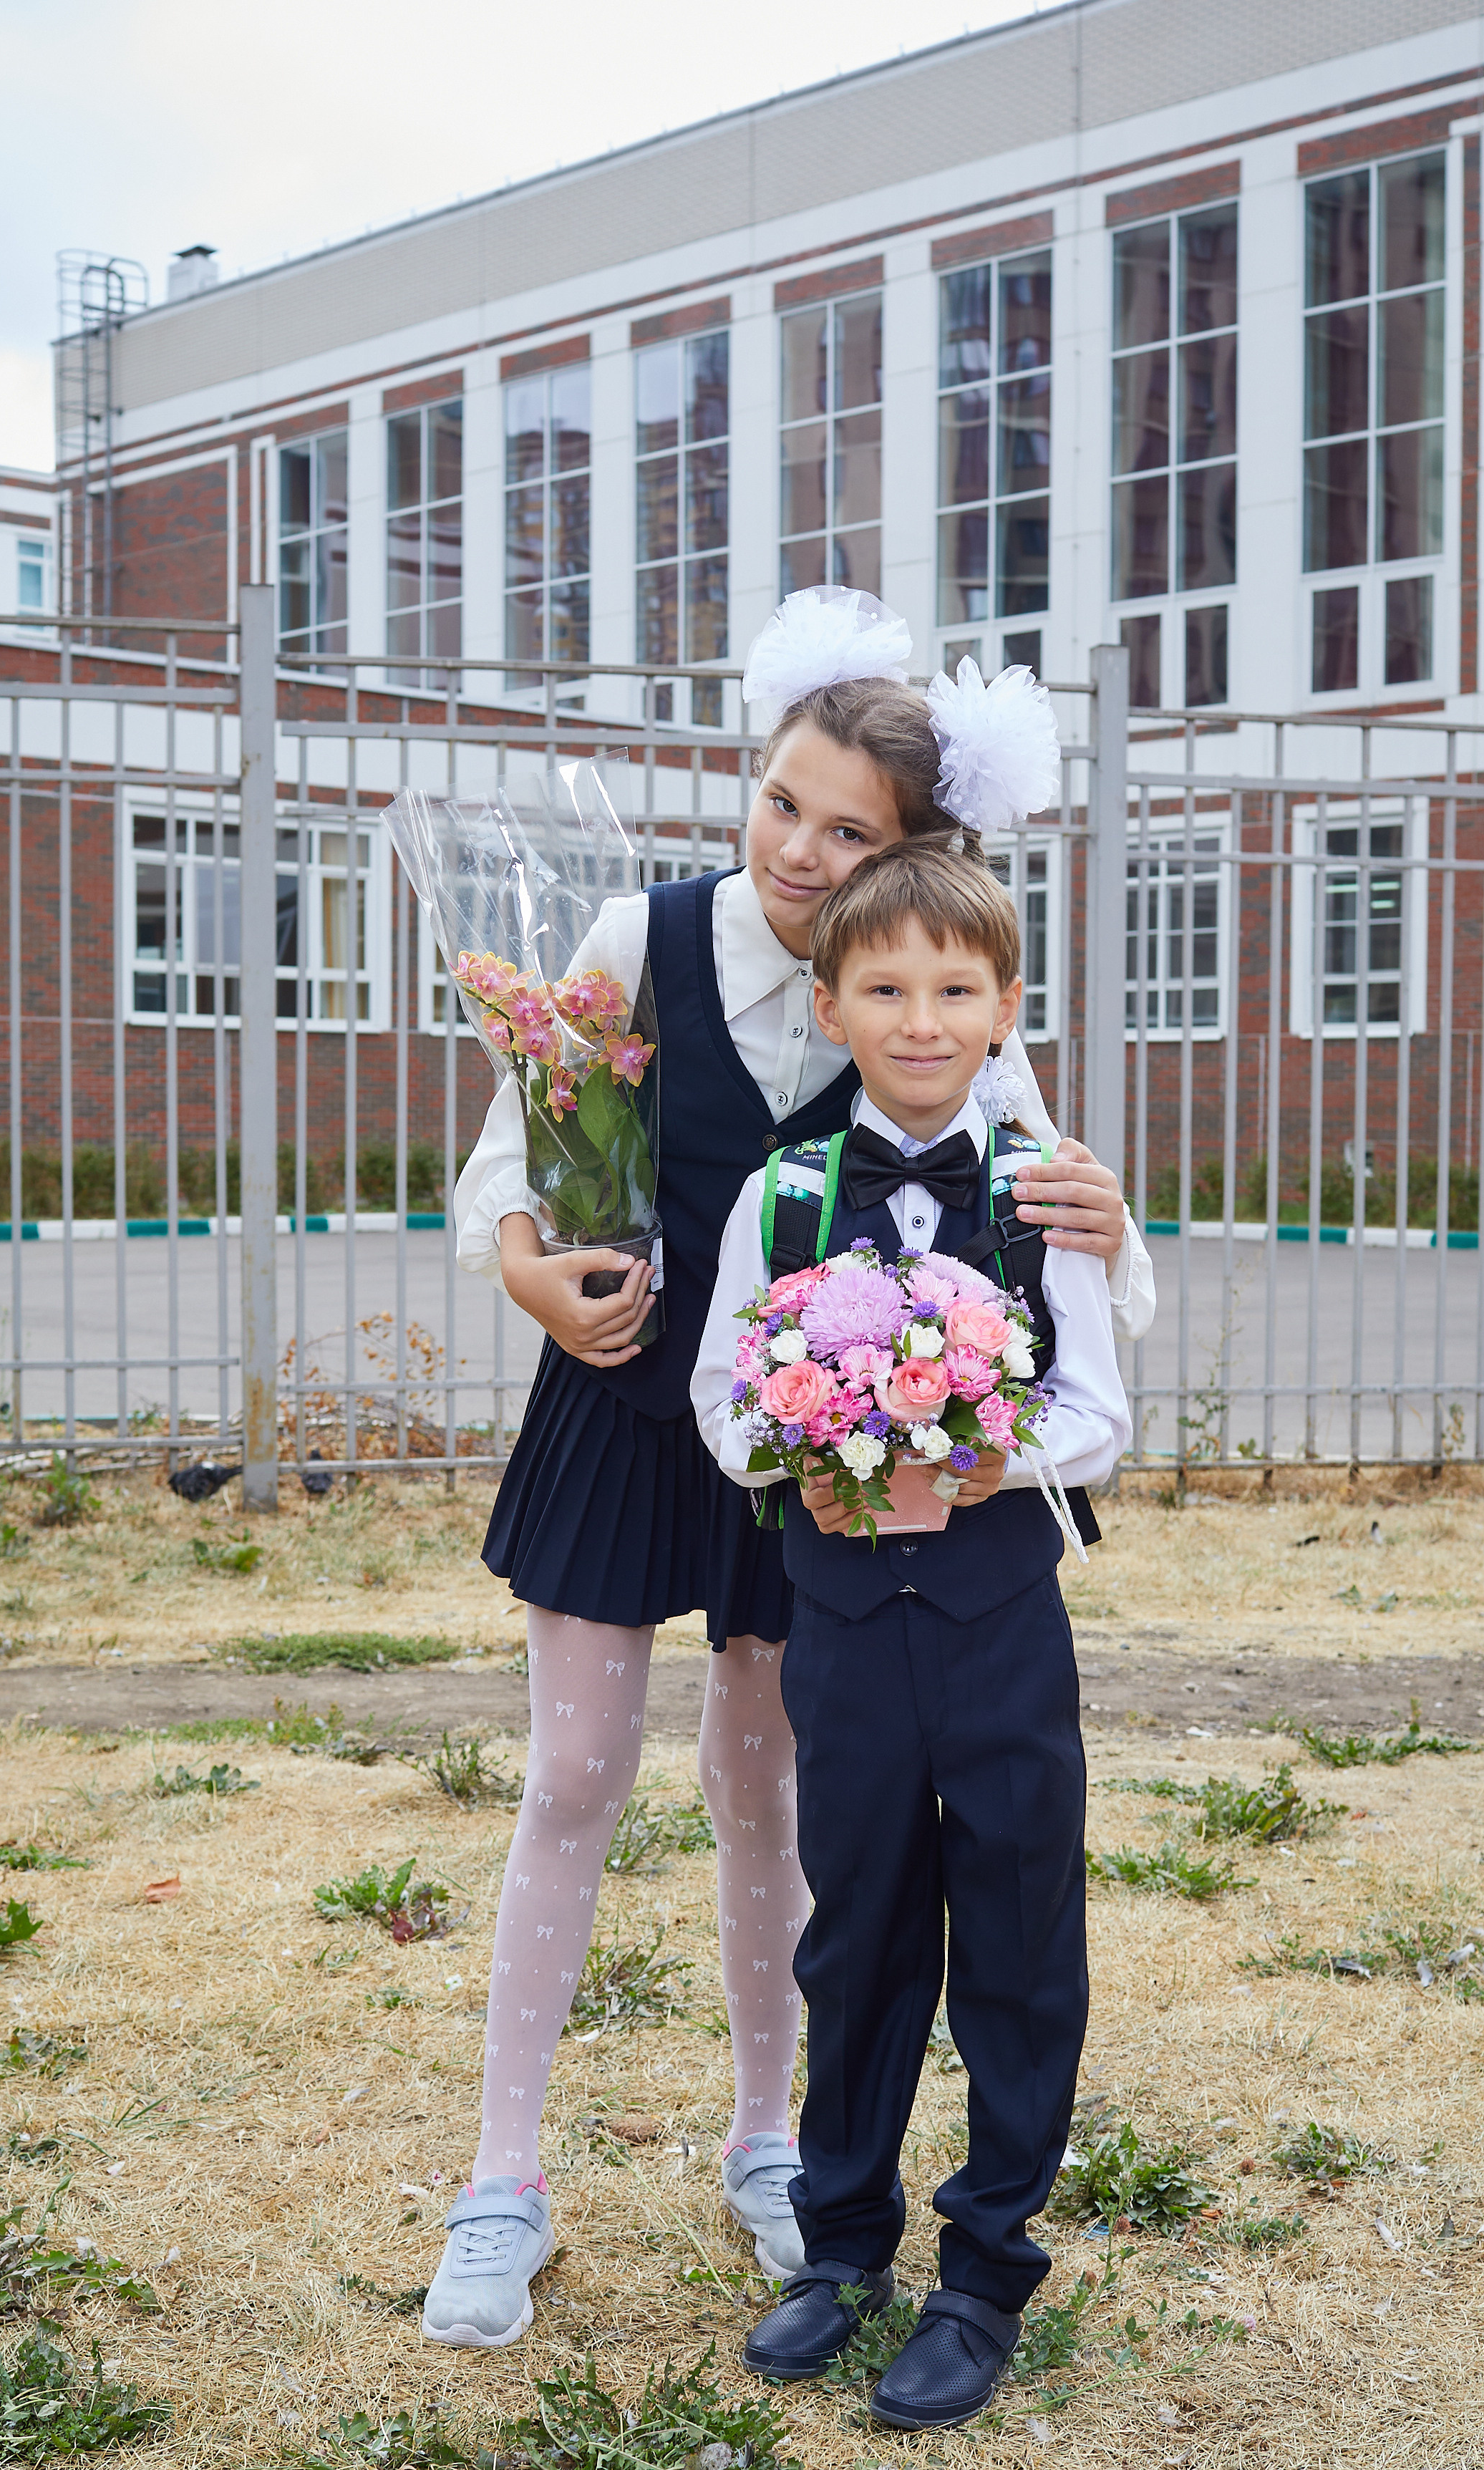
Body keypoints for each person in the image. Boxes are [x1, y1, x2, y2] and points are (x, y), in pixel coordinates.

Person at [422, 591, 1152, 2350]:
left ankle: (775, 2150)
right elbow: (501, 1166)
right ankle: (501, 2181)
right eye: (783, 804)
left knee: (775, 1795)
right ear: (746, 783)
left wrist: (1114, 1227)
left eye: (853, 833)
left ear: (915, 858)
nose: (806, 852)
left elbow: (1059, 1226)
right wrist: (531, 1272)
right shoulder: (633, 930)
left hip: (813, 1472)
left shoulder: (917, 989)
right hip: (615, 1419)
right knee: (575, 1773)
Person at [692, 836, 1130, 2431]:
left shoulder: (1048, 1194)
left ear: (1007, 1005)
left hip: (1001, 1615)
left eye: (957, 988)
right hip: (844, 1632)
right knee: (858, 1923)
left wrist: (963, 1454)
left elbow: (1093, 1413)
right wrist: (820, 1442)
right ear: (833, 1004)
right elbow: (722, 1411)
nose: (923, 1017)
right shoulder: (783, 1193)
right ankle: (841, 2241)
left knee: (1015, 1931)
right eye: (887, 987)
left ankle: (987, 2265)